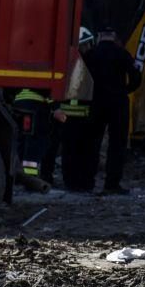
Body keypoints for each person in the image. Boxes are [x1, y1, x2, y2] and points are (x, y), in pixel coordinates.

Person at [83, 26, 142, 194]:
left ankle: (88, 182)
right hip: (118, 103)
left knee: (92, 143)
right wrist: (125, 90)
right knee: (117, 145)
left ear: (99, 35)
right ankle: (111, 184)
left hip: (96, 102)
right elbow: (136, 76)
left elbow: (81, 77)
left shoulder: (90, 55)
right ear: (114, 36)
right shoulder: (122, 54)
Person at [41, 27, 95, 187]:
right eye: (87, 45)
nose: (88, 48)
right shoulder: (81, 62)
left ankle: (47, 176)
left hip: (61, 113)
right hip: (73, 116)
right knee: (70, 150)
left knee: (55, 148)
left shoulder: (66, 60)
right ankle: (69, 180)